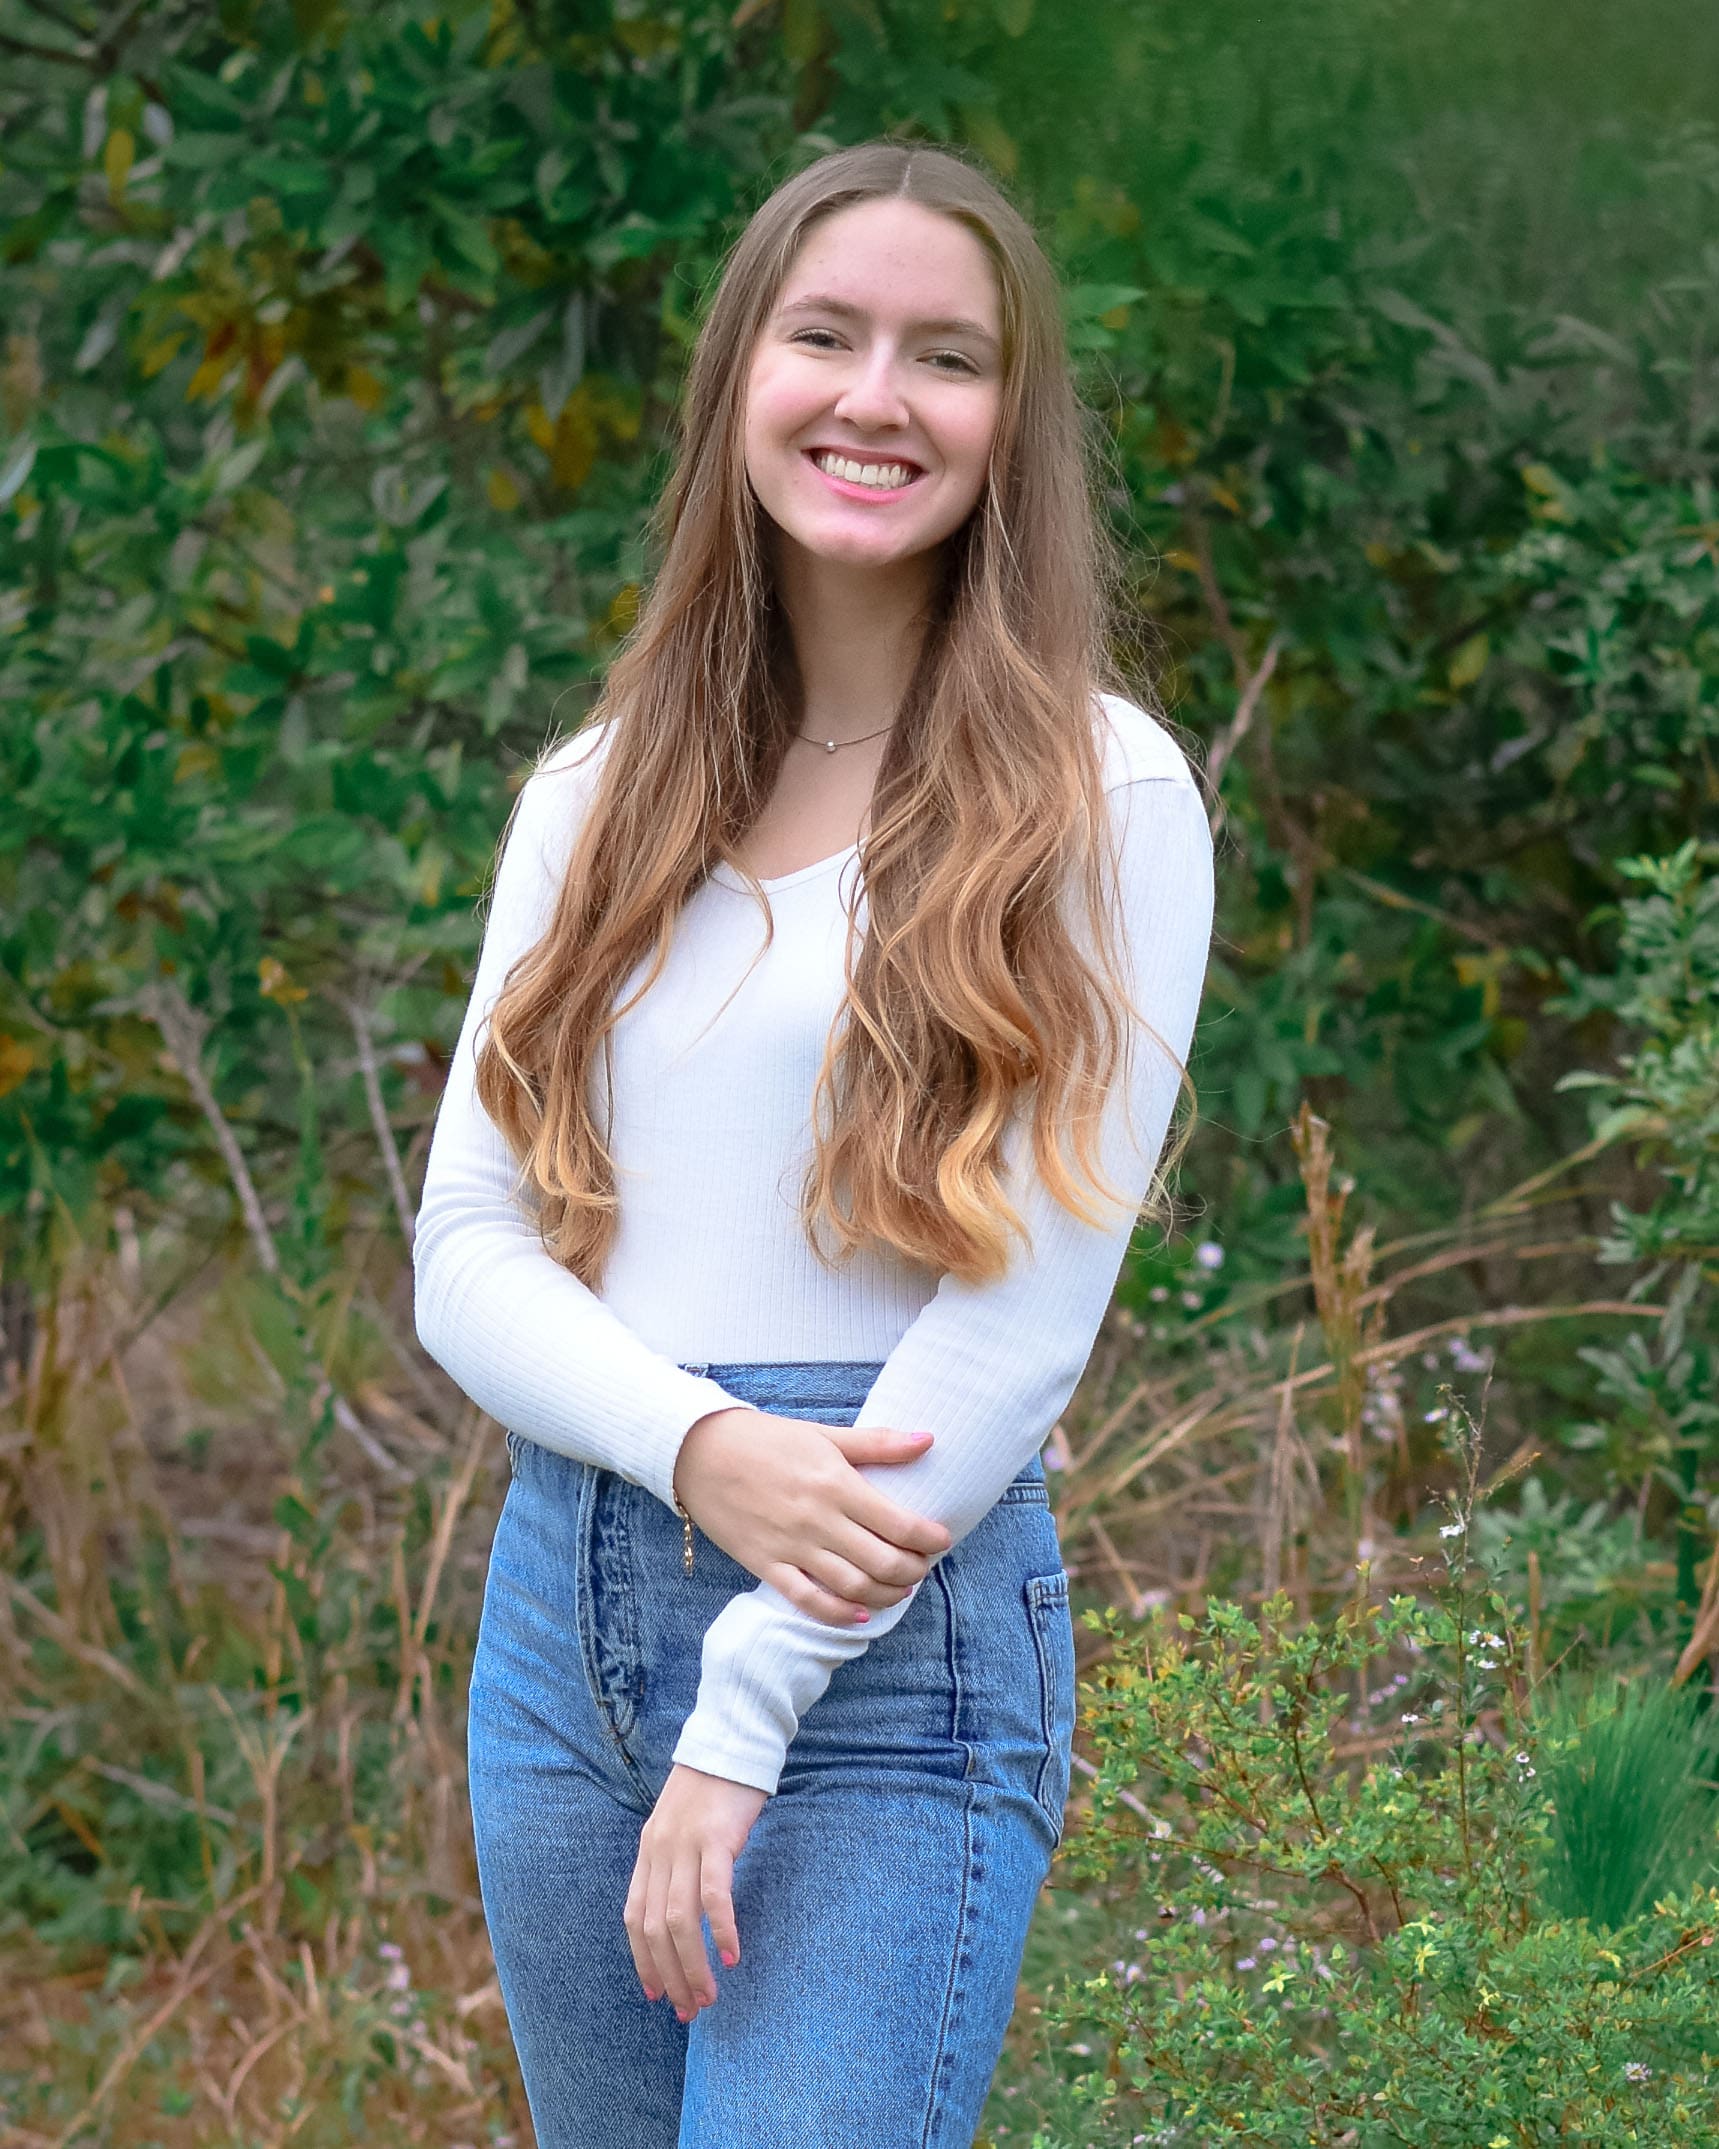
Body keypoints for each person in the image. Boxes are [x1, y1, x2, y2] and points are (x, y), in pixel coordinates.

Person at [413, 136, 1216, 2149]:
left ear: (1003, 426)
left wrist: (744, 1708)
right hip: (565, 1615)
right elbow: (468, 1248)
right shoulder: (591, 798)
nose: (876, 397)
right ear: (737, 380)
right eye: (825, 335)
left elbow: (1017, 1325)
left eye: (942, 357)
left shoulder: (1098, 790)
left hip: (881, 1644)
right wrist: (695, 1445)